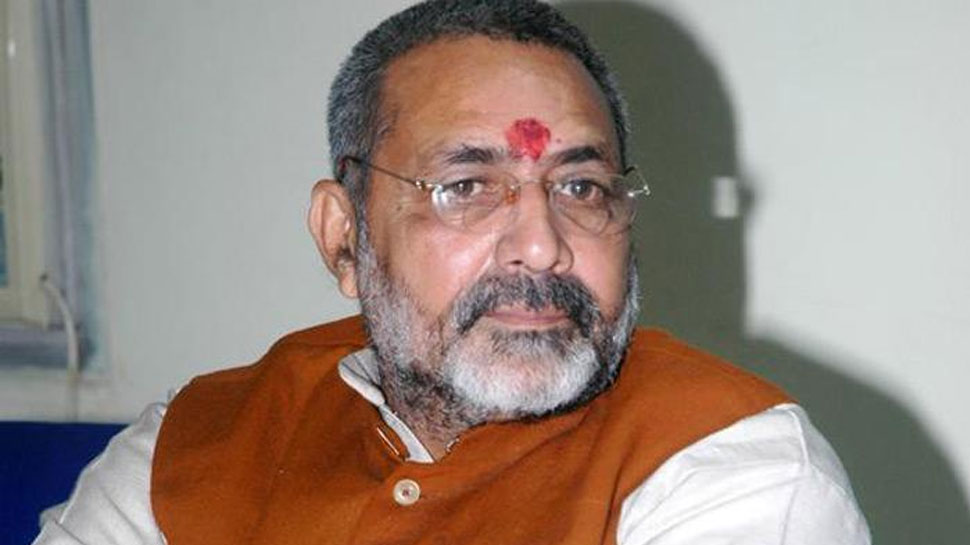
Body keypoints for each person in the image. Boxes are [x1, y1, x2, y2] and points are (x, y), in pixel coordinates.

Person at [35, 1, 871, 543]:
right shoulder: (192, 443)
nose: (541, 246)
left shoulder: (730, 469)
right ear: (344, 236)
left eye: (581, 187)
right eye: (466, 186)